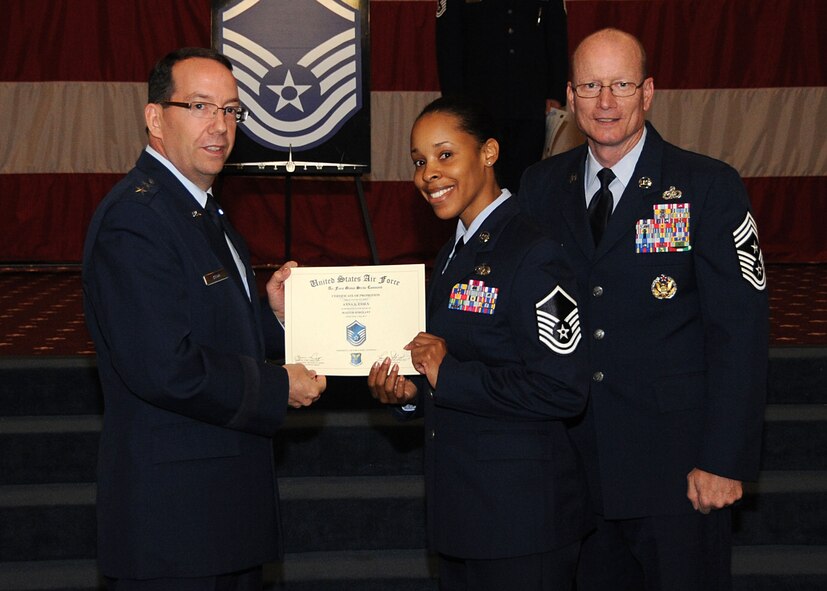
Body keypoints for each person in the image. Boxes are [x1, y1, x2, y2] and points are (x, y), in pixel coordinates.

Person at [518, 28, 769, 590]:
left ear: (648, 92)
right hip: (575, 471)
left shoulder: (707, 187)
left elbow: (740, 332)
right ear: (571, 96)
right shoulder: (539, 188)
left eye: (622, 85)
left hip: (677, 470)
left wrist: (724, 458)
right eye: (590, 86)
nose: (605, 101)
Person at [82, 47, 326, 590]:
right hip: (173, 526)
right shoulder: (137, 221)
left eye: (231, 110)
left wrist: (272, 317)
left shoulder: (200, 208)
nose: (220, 125)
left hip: (218, 515)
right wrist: (277, 387)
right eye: (199, 106)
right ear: (155, 118)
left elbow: (213, 331)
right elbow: (163, 367)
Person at [368, 96, 591, 590]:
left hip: (522, 523)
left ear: (488, 152)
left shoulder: (533, 251)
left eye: (445, 155)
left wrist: (448, 374)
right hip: (465, 517)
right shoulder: (455, 250)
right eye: (419, 161)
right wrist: (410, 394)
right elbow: (458, 364)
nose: (429, 174)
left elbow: (563, 388)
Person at [435, 0, 568, 193]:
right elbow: (448, 43)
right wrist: (455, 104)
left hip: (531, 102)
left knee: (528, 182)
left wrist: (555, 93)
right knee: (483, 183)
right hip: (479, 105)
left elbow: (556, 35)